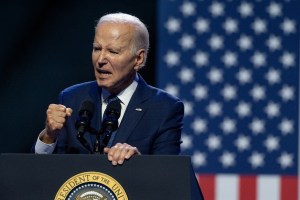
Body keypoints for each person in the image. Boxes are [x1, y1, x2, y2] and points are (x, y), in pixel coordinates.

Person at [34, 12, 184, 166]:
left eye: (113, 51)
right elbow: (47, 169)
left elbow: (167, 175)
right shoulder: (71, 98)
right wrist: (49, 135)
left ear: (138, 59)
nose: (100, 60)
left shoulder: (164, 108)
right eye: (97, 49)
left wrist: (138, 164)